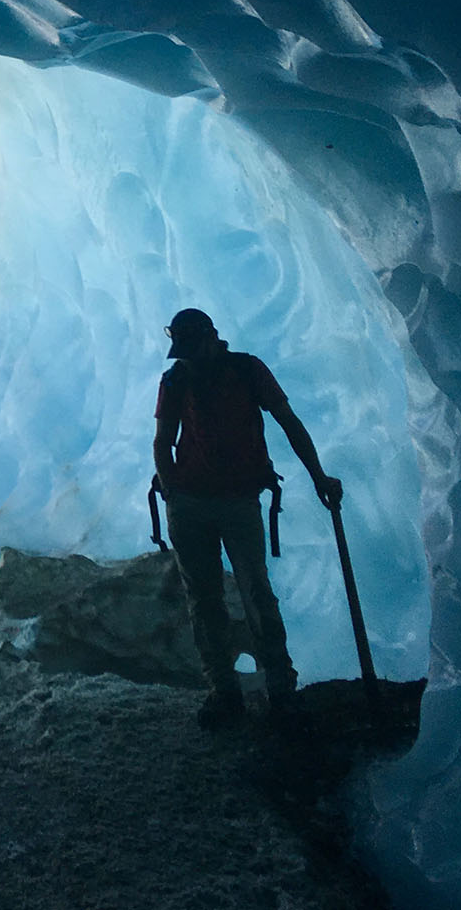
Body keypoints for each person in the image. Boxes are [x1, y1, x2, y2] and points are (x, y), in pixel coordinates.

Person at [153, 307, 343, 729]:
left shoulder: (247, 370)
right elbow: (162, 441)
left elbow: (289, 423)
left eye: (190, 349)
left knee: (255, 591)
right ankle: (225, 691)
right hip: (193, 504)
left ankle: (280, 688)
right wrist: (173, 494)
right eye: (180, 351)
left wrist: (318, 476)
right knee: (205, 599)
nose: (186, 358)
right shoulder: (177, 379)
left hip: (238, 501)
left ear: (210, 338)